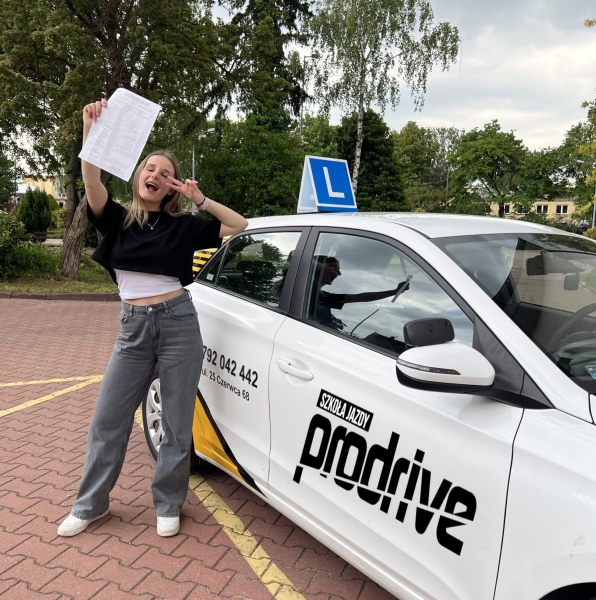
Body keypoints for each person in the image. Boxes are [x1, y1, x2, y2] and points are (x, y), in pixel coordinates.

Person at [57, 99, 248, 538]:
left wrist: (200, 199)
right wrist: (92, 131)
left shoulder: (185, 226)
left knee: (177, 425)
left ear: (171, 186)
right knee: (108, 420)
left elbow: (238, 225)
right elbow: (91, 178)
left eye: (166, 173)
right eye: (150, 168)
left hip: (179, 324)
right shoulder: (117, 219)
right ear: (139, 174)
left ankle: (168, 502)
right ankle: (90, 505)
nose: (156, 175)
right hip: (133, 328)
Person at [308, 256, 410, 324]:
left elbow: (362, 297)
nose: (339, 273)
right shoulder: (305, 286)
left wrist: (395, 291)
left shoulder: (324, 297)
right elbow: (299, 256)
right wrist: (321, 266)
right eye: (335, 268)